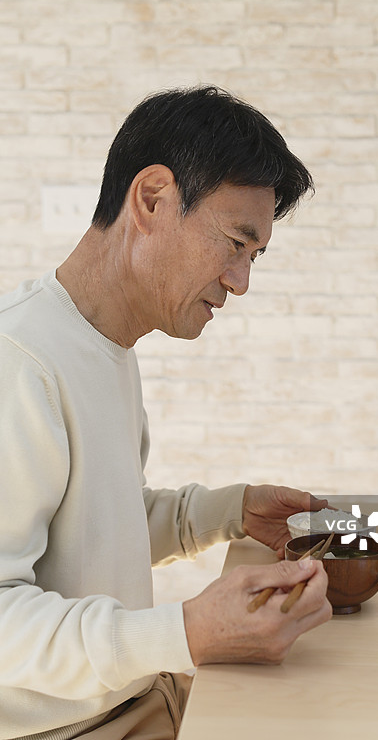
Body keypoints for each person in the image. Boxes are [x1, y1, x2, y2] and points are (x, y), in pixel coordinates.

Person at [0, 86, 332, 740]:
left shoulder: (102, 346)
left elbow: (89, 533)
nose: (240, 282)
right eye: (236, 243)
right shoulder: (21, 364)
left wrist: (227, 510)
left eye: (253, 256)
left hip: (133, 700)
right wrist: (182, 632)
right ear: (152, 198)